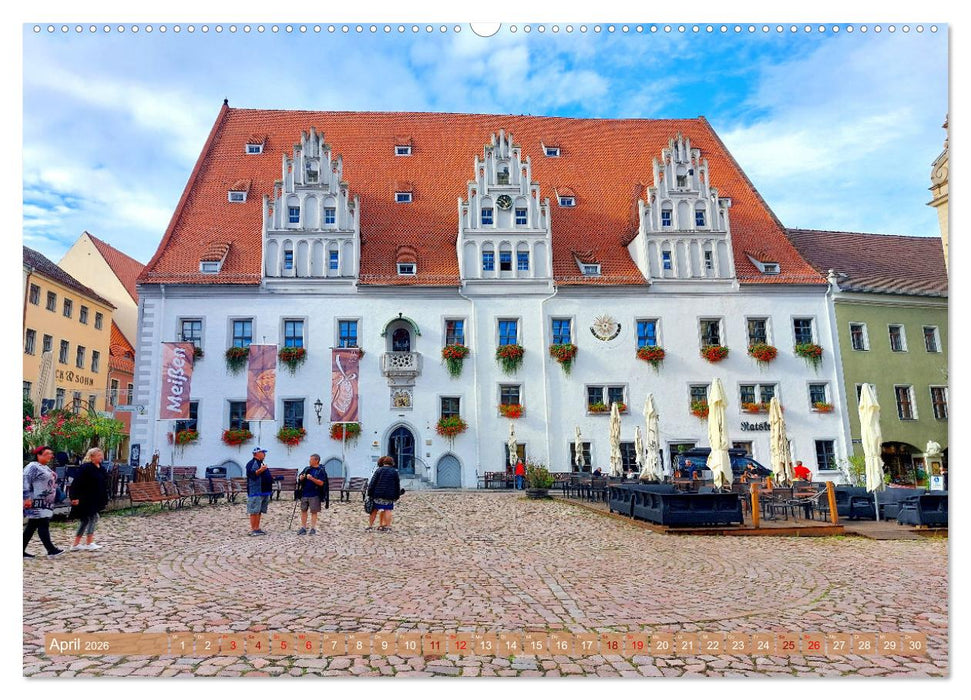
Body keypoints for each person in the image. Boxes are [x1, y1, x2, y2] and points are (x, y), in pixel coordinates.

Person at [23, 446, 64, 558]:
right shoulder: (32, 467)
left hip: (45, 502)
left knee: (32, 526)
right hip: (36, 502)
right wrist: (26, 498)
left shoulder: (44, 467)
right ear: (38, 455)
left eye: (51, 454)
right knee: (43, 524)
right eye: (47, 454)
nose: (50, 456)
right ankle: (51, 549)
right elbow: (25, 481)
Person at [69, 447, 109, 551]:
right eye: (98, 455)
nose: (101, 457)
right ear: (92, 457)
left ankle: (76, 544)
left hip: (95, 498)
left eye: (101, 455)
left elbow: (104, 480)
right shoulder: (86, 468)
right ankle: (89, 542)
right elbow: (76, 483)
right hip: (85, 498)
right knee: (92, 517)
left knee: (85, 520)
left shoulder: (101, 468)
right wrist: (74, 497)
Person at [366, 456, 403, 532]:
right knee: (387, 510)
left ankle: (370, 526)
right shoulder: (394, 472)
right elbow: (397, 485)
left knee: (374, 510)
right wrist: (397, 495)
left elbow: (373, 483)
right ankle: (388, 527)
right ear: (392, 463)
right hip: (389, 495)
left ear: (384, 462)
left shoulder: (379, 470)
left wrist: (369, 493)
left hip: (378, 494)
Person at [297, 454, 329, 535]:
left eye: (311, 460)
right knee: (303, 510)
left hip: (315, 494)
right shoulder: (307, 469)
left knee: (314, 512)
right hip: (305, 493)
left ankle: (313, 528)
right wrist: (301, 477)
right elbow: (300, 477)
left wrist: (312, 478)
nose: (309, 461)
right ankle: (303, 528)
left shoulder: (320, 471)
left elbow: (321, 483)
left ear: (316, 460)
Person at [246, 447, 273, 536]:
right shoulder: (251, 463)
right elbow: (252, 476)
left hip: (264, 491)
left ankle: (257, 528)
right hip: (256, 491)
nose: (264, 454)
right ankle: (254, 529)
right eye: (262, 452)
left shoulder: (262, 463)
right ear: (257, 453)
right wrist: (261, 470)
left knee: (259, 511)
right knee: (254, 511)